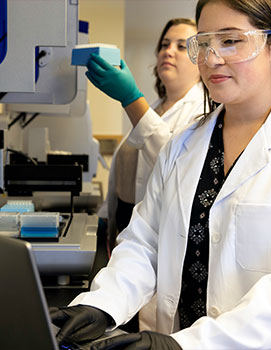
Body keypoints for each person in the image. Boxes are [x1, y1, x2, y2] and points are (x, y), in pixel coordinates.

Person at [49, 0, 271, 348]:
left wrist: (184, 345)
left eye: (231, 41)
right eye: (203, 43)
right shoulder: (183, 145)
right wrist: (102, 305)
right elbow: (145, 243)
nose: (211, 57)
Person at [88, 17, 204, 332]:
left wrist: (130, 100)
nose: (170, 51)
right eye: (165, 44)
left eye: (183, 46)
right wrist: (101, 218)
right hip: (124, 232)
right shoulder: (160, 106)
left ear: (201, 62)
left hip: (154, 241)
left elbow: (175, 164)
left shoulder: (202, 111)